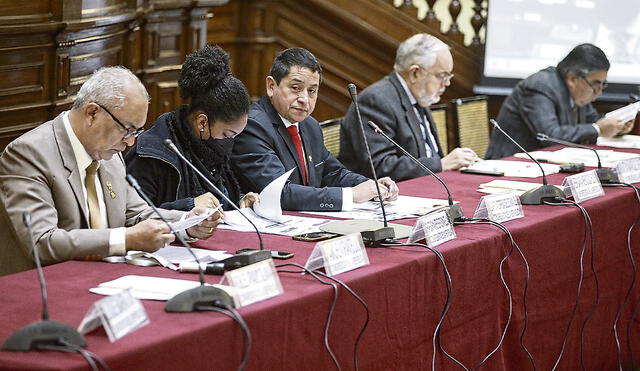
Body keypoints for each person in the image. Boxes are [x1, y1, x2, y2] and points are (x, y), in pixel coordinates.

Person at [0, 66, 219, 276]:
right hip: (44, 289)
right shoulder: (28, 154)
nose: (131, 142)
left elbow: (137, 214)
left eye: (137, 131)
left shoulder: (109, 154)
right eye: (127, 129)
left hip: (103, 280)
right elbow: (42, 242)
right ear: (92, 113)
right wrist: (125, 239)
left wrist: (187, 223)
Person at [230, 48, 399, 211]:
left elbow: (333, 173)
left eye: (312, 91)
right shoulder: (253, 126)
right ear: (271, 86)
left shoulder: (309, 125)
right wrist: (351, 195)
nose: (304, 99)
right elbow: (279, 193)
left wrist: (371, 186)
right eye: (295, 88)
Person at [126, 45, 257, 212]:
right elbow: (134, 217)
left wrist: (239, 201)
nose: (231, 142)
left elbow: (218, 197)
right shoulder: (151, 154)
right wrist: (189, 207)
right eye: (227, 134)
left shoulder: (210, 149)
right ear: (202, 122)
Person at [339, 33, 477, 181]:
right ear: (415, 73)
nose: (447, 83)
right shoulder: (376, 100)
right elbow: (380, 166)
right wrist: (440, 164)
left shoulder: (419, 96)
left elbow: (429, 154)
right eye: (442, 76)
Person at [485, 43, 633, 159]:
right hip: (508, 165)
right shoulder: (539, 87)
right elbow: (549, 136)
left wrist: (617, 127)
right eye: (595, 84)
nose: (599, 92)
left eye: (603, 84)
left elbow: (593, 120)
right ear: (572, 78)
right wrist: (599, 129)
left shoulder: (579, 91)